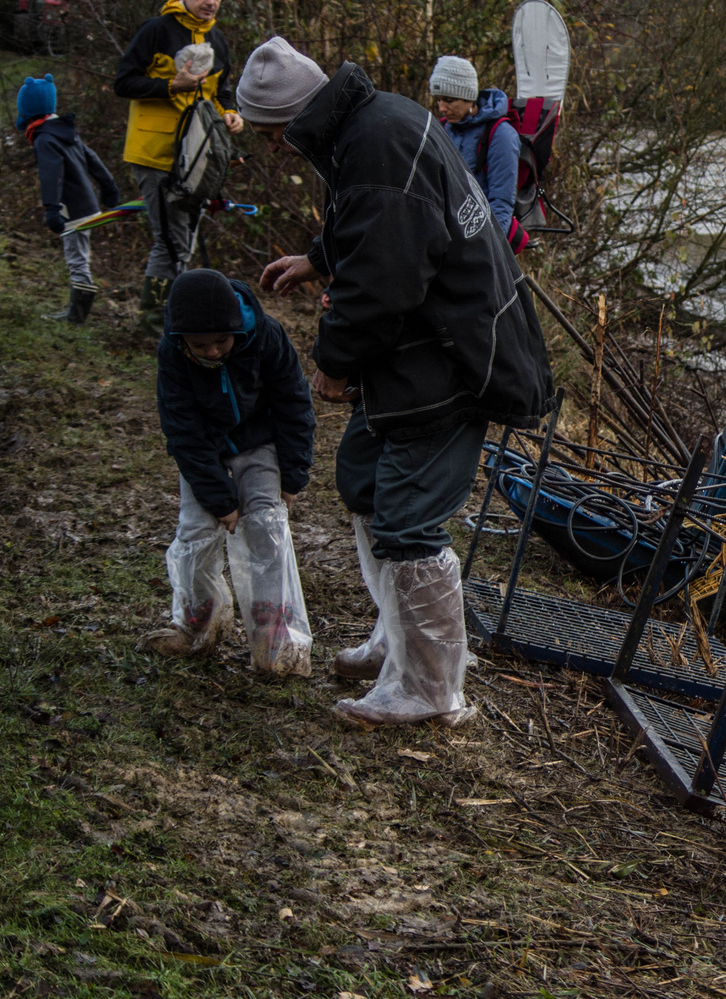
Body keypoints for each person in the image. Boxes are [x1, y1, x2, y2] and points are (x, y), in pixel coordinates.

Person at [240, 37, 553, 727]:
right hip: (420, 347)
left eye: (269, 134)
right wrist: (319, 257)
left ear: (292, 117)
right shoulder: (373, 120)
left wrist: (333, 360)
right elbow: (382, 225)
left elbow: (385, 280)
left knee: (409, 517)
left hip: (452, 355)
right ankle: (396, 639)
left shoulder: (375, 144)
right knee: (361, 480)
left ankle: (431, 686)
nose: (271, 147)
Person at [141, 269, 316, 677]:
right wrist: (219, 500)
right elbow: (182, 430)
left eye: (222, 341)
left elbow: (294, 402)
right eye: (200, 345)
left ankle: (276, 638)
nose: (214, 351)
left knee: (267, 528)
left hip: (260, 445)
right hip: (207, 449)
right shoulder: (172, 353)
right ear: (181, 339)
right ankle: (196, 624)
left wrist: (292, 475)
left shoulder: (266, 336)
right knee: (196, 530)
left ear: (236, 327)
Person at [113, 0, 245, 334]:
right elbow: (124, 82)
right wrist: (170, 86)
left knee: (181, 242)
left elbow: (222, 92)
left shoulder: (218, 39)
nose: (211, 0)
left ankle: (168, 319)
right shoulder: (157, 30)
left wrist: (232, 113)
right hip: (154, 155)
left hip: (199, 160)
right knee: (170, 242)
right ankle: (153, 323)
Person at [17, 73, 120, 323]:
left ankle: (76, 316)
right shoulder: (65, 131)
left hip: (72, 210)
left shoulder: (44, 139)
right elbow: (92, 158)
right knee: (79, 255)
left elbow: (52, 175)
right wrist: (109, 186)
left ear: (27, 112)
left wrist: (51, 207)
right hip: (88, 204)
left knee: (77, 259)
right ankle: (76, 312)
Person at [428, 55, 521, 234]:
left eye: (449, 100)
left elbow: (501, 202)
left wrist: (491, 251)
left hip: (480, 238)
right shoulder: (441, 128)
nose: (442, 108)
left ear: (469, 98)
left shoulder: (501, 135)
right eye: (438, 100)